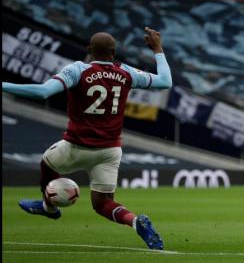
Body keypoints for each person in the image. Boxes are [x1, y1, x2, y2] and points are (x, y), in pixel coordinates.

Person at [2, 27, 172, 250]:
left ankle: (49, 207)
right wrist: (158, 49)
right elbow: (165, 81)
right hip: (110, 151)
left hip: (76, 146)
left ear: (89, 50)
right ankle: (135, 221)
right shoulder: (126, 72)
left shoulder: (78, 70)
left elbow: (42, 92)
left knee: (48, 162)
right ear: (114, 52)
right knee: (103, 204)